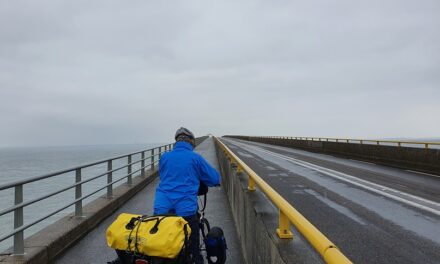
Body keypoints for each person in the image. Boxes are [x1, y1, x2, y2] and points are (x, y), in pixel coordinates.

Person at [153, 127, 221, 264]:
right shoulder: (195, 158)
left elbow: (164, 176)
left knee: (160, 248)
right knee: (192, 250)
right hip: (185, 212)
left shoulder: (164, 157)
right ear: (191, 142)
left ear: (176, 142)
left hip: (161, 210)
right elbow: (215, 179)